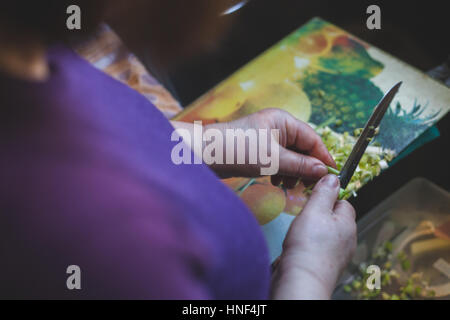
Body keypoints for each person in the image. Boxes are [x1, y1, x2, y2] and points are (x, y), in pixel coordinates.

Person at [0, 1, 356, 299]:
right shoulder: (106, 247)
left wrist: (214, 143)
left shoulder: (22, 46)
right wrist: (308, 273)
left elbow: (105, 128)